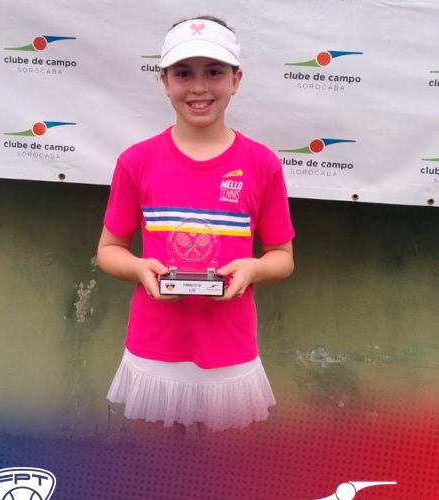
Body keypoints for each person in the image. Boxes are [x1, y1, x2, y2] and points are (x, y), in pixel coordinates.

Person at [97, 15, 295, 433]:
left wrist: (254, 268)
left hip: (229, 347)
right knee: (152, 464)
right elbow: (109, 250)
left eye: (214, 72)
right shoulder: (136, 161)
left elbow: (282, 256)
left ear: (236, 80)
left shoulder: (262, 164)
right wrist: (139, 268)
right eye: (183, 73)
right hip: (154, 345)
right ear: (164, 82)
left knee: (226, 465)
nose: (199, 87)